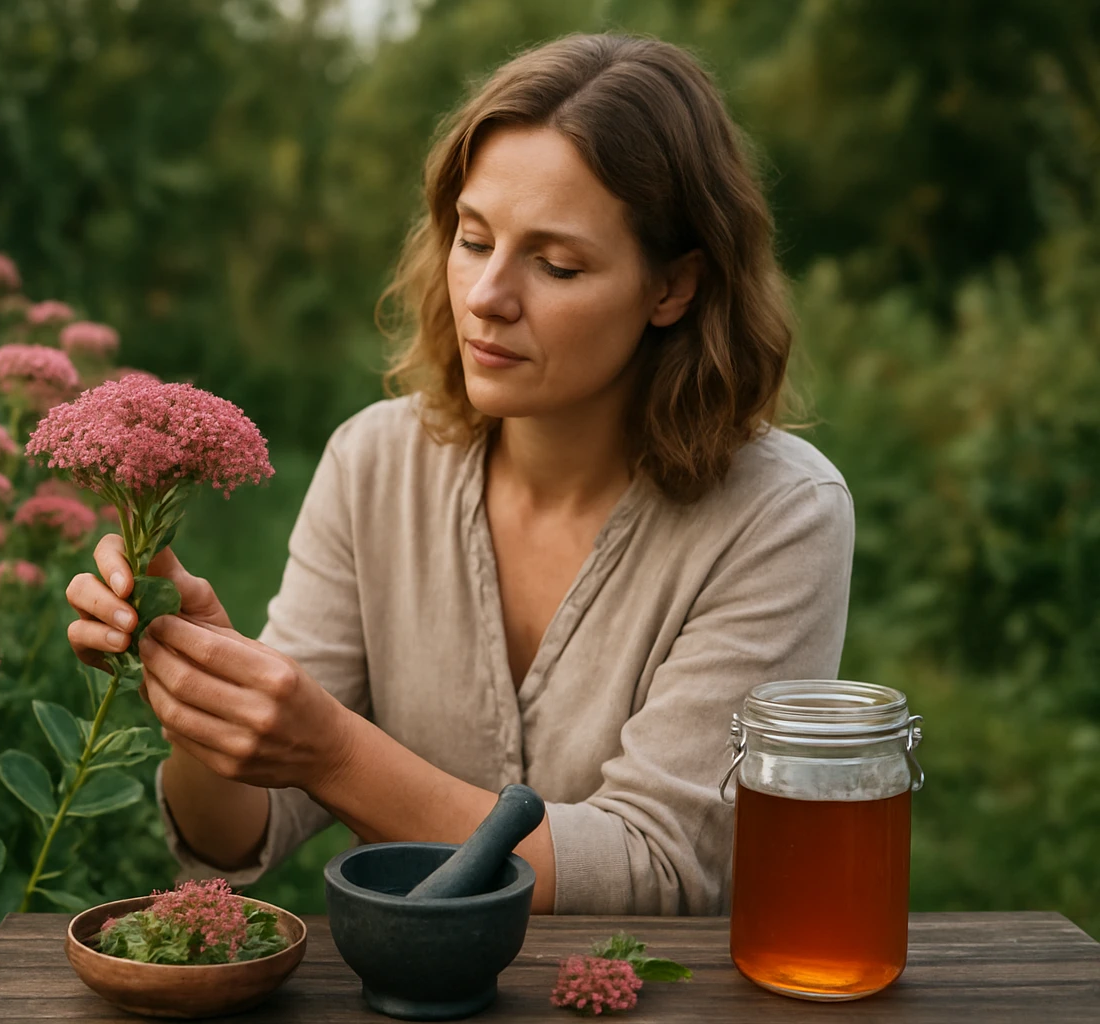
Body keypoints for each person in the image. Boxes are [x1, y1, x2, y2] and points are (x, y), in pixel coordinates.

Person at [64, 33, 853, 916]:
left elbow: (663, 872)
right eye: (473, 240)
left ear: (673, 287)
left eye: (556, 264)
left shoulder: (782, 513)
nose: (486, 295)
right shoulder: (374, 463)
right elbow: (234, 834)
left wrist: (332, 752)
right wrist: (203, 700)